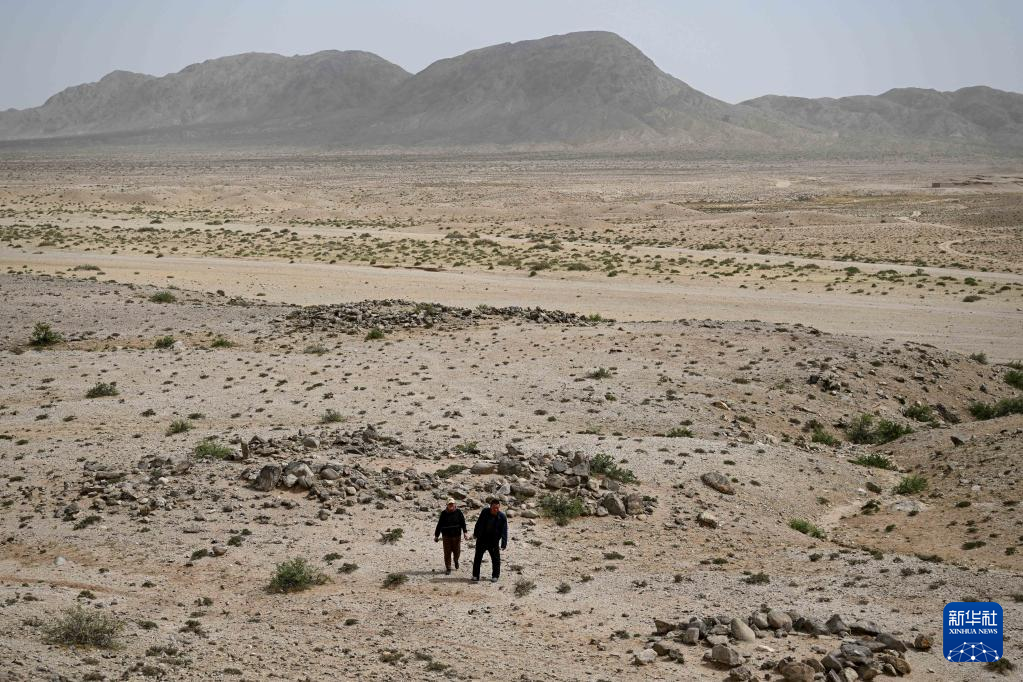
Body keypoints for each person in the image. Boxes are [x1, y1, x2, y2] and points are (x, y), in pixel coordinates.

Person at [471, 498, 508, 583]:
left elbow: (504, 531)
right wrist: (475, 533)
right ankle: (475, 575)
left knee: (496, 559)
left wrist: (504, 543)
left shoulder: (502, 517)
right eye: (494, 508)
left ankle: (495, 576)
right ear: (490, 507)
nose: (496, 510)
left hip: (493, 541)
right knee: (477, 558)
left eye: (497, 508)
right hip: (482, 539)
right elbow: (478, 523)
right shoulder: (484, 512)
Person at [434, 498, 468, 575]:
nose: (451, 505)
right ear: (447, 505)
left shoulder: (458, 512)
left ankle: (456, 560)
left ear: (455, 504)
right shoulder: (443, 513)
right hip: (446, 536)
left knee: (457, 551)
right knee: (447, 553)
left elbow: (463, 523)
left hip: (457, 536)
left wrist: (465, 532)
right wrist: (436, 536)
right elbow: (439, 525)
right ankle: (448, 567)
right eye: (449, 504)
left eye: (452, 504)